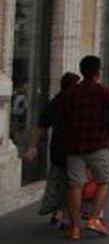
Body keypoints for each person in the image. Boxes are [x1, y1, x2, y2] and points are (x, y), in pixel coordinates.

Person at [60, 55, 109, 240]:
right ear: (97, 71)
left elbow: (63, 117)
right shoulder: (102, 91)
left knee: (75, 184)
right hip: (97, 142)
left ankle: (74, 227)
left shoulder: (72, 92)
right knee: (106, 177)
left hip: (74, 144)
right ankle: (94, 218)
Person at [26, 72, 81, 226]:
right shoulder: (76, 104)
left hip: (57, 147)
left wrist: (32, 146)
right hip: (74, 147)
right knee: (72, 183)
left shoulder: (55, 103)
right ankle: (64, 215)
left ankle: (57, 211)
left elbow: (42, 125)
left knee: (58, 181)